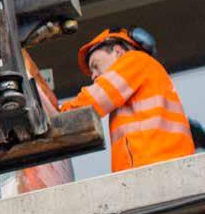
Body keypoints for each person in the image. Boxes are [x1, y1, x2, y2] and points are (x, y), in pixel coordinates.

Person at [59, 27, 194, 173]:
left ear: (118, 52)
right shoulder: (144, 74)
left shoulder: (134, 60)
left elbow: (93, 100)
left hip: (152, 167)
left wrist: (60, 112)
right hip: (160, 168)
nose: (93, 76)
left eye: (96, 66)